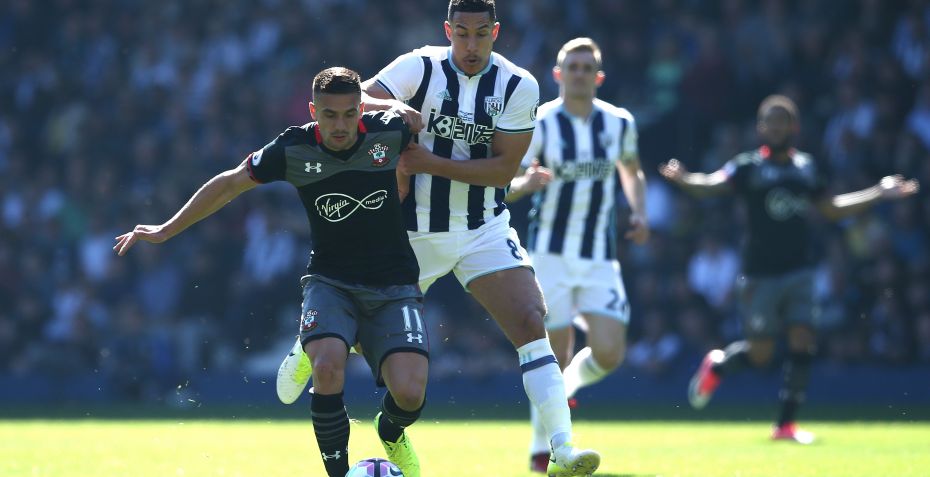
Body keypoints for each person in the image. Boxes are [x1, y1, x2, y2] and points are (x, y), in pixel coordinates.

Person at [277, 1, 600, 475]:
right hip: (409, 235)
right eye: (462, 33)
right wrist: (394, 106)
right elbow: (354, 100)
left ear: (495, 32)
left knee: (532, 322)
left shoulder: (518, 85)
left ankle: (562, 449)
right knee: (362, 341)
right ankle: (311, 340)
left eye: (481, 34)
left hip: (482, 228)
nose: (471, 45)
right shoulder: (419, 66)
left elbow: (502, 171)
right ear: (448, 30)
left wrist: (429, 162)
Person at [114, 67, 429, 477]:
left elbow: (417, 124)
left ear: (361, 109)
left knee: (409, 394)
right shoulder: (293, 148)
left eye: (349, 114)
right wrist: (166, 229)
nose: (340, 125)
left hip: (394, 283)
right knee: (328, 367)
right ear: (313, 111)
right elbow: (230, 183)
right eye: (329, 115)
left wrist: (391, 108)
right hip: (331, 282)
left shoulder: (388, 131)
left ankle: (390, 430)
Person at [659, 95, 920, 443]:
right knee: (761, 355)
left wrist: (877, 192)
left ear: (794, 127)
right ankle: (718, 365)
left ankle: (785, 425)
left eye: (782, 120)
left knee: (802, 339)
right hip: (759, 274)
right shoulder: (748, 166)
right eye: (770, 120)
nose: (776, 126)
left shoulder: (807, 168)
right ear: (760, 128)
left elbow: (830, 208)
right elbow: (711, 186)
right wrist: (685, 179)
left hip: (800, 271)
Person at [505, 37, 648, 473]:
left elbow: (632, 170)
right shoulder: (541, 122)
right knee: (555, 352)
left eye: (588, 68)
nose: (580, 74)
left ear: (598, 76)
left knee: (609, 352)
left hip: (599, 255)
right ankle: (542, 449)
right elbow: (506, 182)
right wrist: (527, 184)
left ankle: (567, 389)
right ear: (558, 74)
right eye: (573, 66)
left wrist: (639, 212)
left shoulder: (618, 122)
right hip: (550, 255)